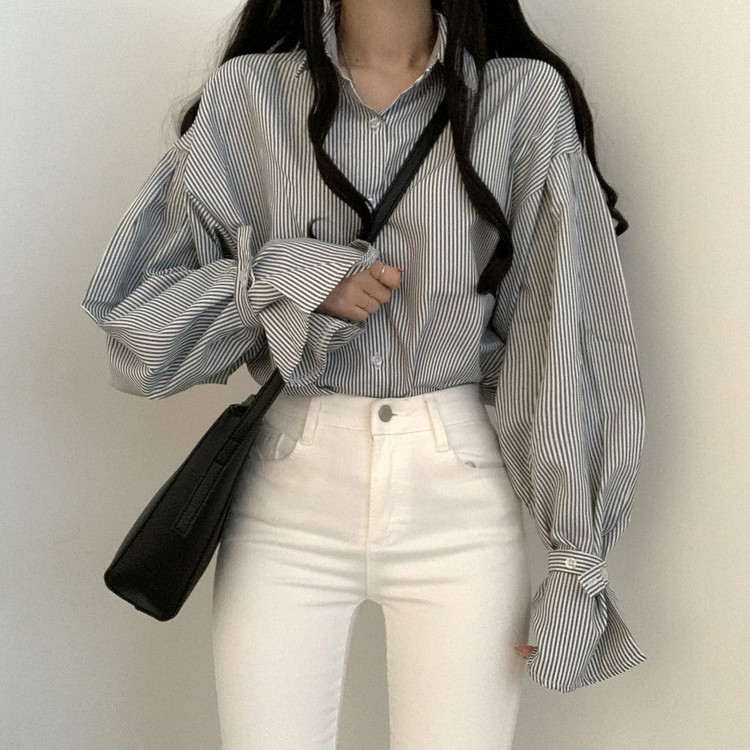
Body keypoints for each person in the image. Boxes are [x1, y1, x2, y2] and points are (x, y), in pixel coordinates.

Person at [80, 0, 647, 747]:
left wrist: (576, 555)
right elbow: (136, 327)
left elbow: (565, 337)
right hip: (286, 493)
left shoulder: (521, 100)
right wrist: (292, 276)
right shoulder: (249, 96)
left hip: (458, 496)